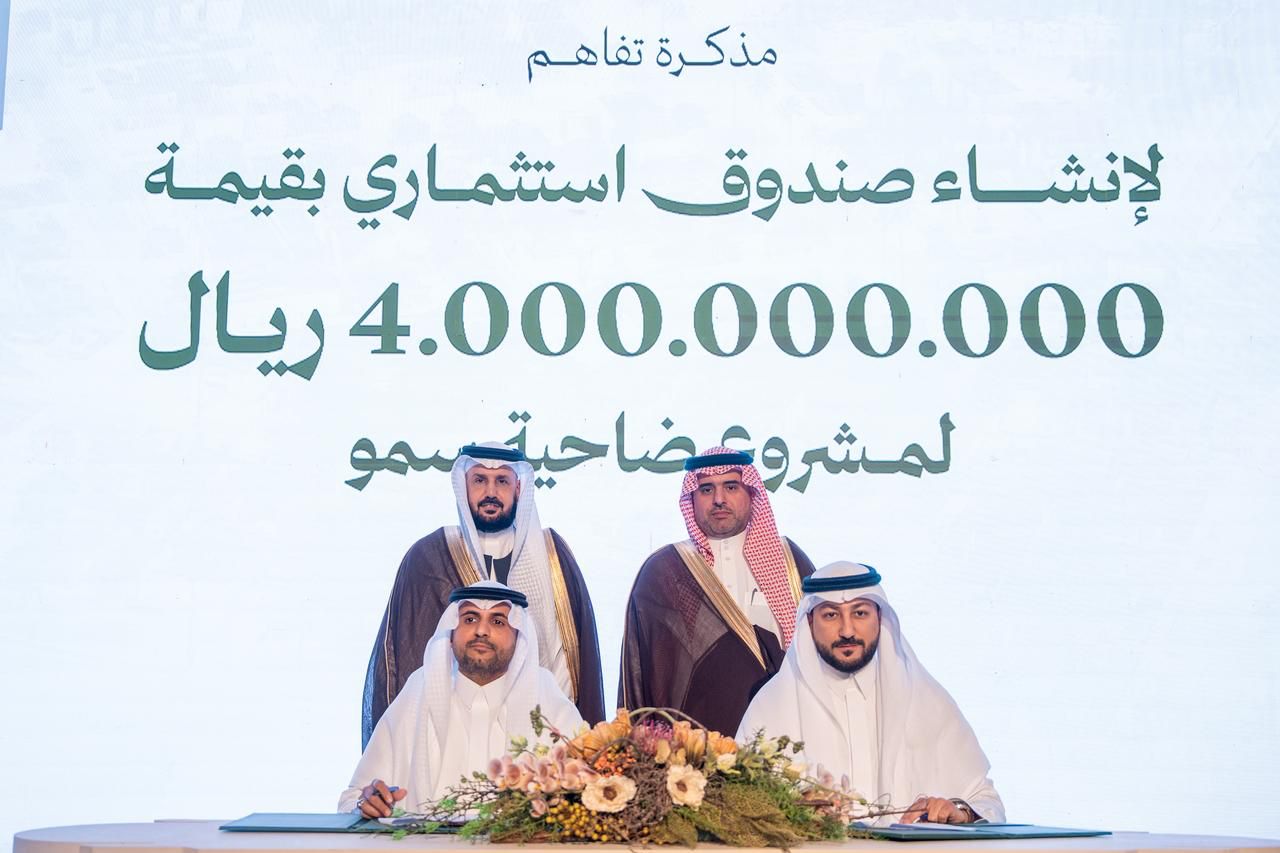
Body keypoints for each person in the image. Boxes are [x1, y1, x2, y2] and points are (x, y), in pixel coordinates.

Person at [362, 442, 604, 746]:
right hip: (449, 735)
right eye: (479, 480)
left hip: (534, 733)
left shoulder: (551, 556)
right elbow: (405, 659)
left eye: (502, 481)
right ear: (463, 486)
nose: (491, 492)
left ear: (519, 488)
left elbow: (565, 661)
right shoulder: (428, 557)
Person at [737, 562, 1005, 825]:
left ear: (880, 616)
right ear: (809, 621)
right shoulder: (773, 706)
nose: (847, 631)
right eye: (830, 615)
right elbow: (738, 808)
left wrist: (959, 811)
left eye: (860, 613)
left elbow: (987, 802)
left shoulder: (927, 700)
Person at [340, 581, 584, 816]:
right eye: (470, 619)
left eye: (498, 621)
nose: (481, 631)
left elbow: (583, 797)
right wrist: (367, 802)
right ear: (451, 632)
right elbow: (353, 798)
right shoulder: (419, 691)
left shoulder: (548, 700)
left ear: (519, 637)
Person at [619, 447, 817, 735]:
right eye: (706, 489)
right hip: (692, 746)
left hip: (781, 735)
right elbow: (644, 672)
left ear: (751, 492)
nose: (719, 499)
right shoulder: (665, 571)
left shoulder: (789, 561)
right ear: (692, 498)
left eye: (731, 486)